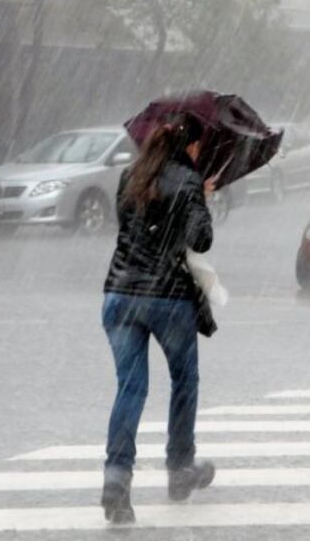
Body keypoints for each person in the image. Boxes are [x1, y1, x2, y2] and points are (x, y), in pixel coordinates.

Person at [100, 110, 216, 524]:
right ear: (190, 145)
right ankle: (180, 469)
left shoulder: (129, 176)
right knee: (184, 380)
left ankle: (116, 479)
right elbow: (200, 239)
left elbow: (130, 227)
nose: (200, 152)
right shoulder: (187, 180)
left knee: (130, 389)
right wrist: (201, 196)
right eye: (199, 146)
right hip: (167, 298)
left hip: (119, 295)